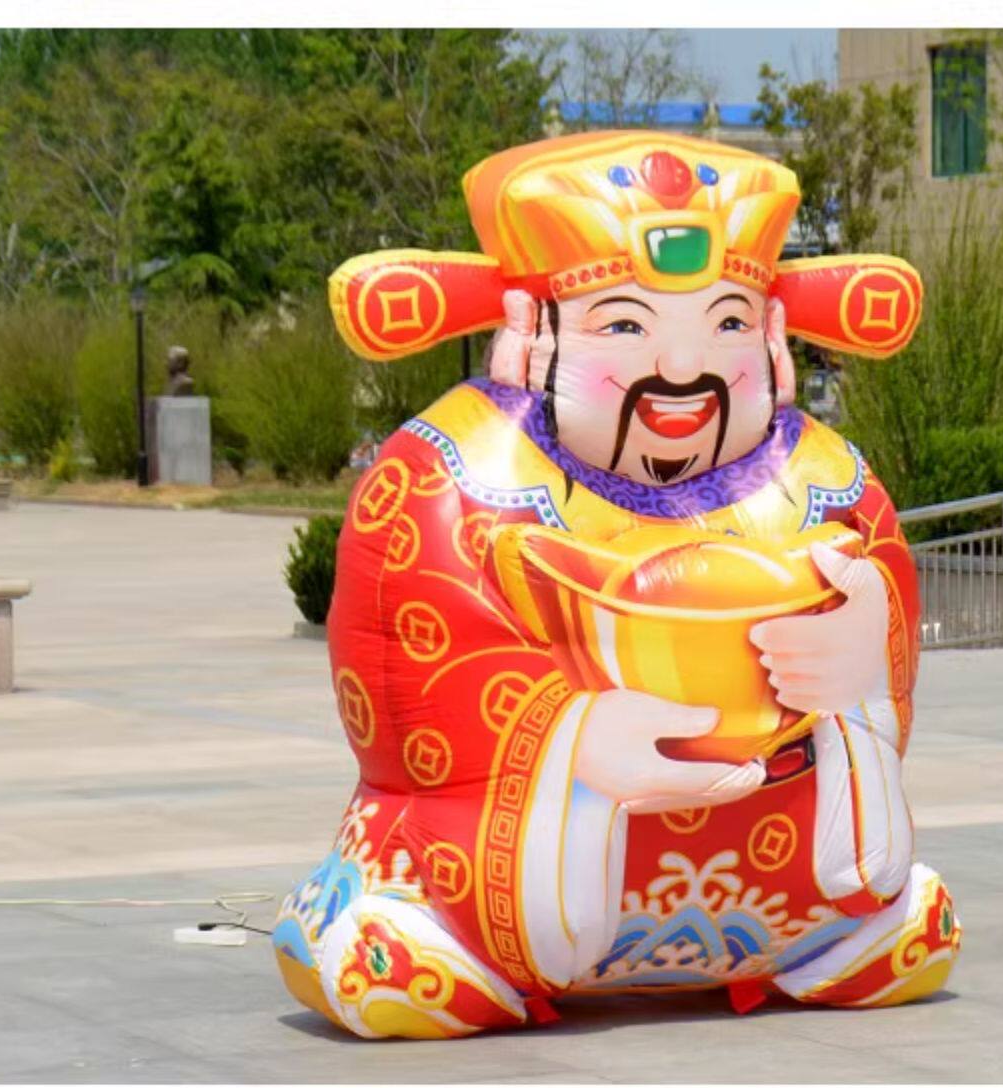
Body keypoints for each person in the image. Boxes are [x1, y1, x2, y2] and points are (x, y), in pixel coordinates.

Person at [272, 132, 960, 1039]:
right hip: (513, 890)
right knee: (393, 951)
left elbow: (886, 613)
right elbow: (418, 686)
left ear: (775, 335)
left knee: (903, 924)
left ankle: (823, 940)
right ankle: (452, 946)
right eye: (625, 327)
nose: (682, 370)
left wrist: (863, 657)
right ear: (530, 332)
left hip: (776, 867)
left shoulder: (826, 484)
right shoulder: (453, 480)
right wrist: (572, 742)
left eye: (726, 325)